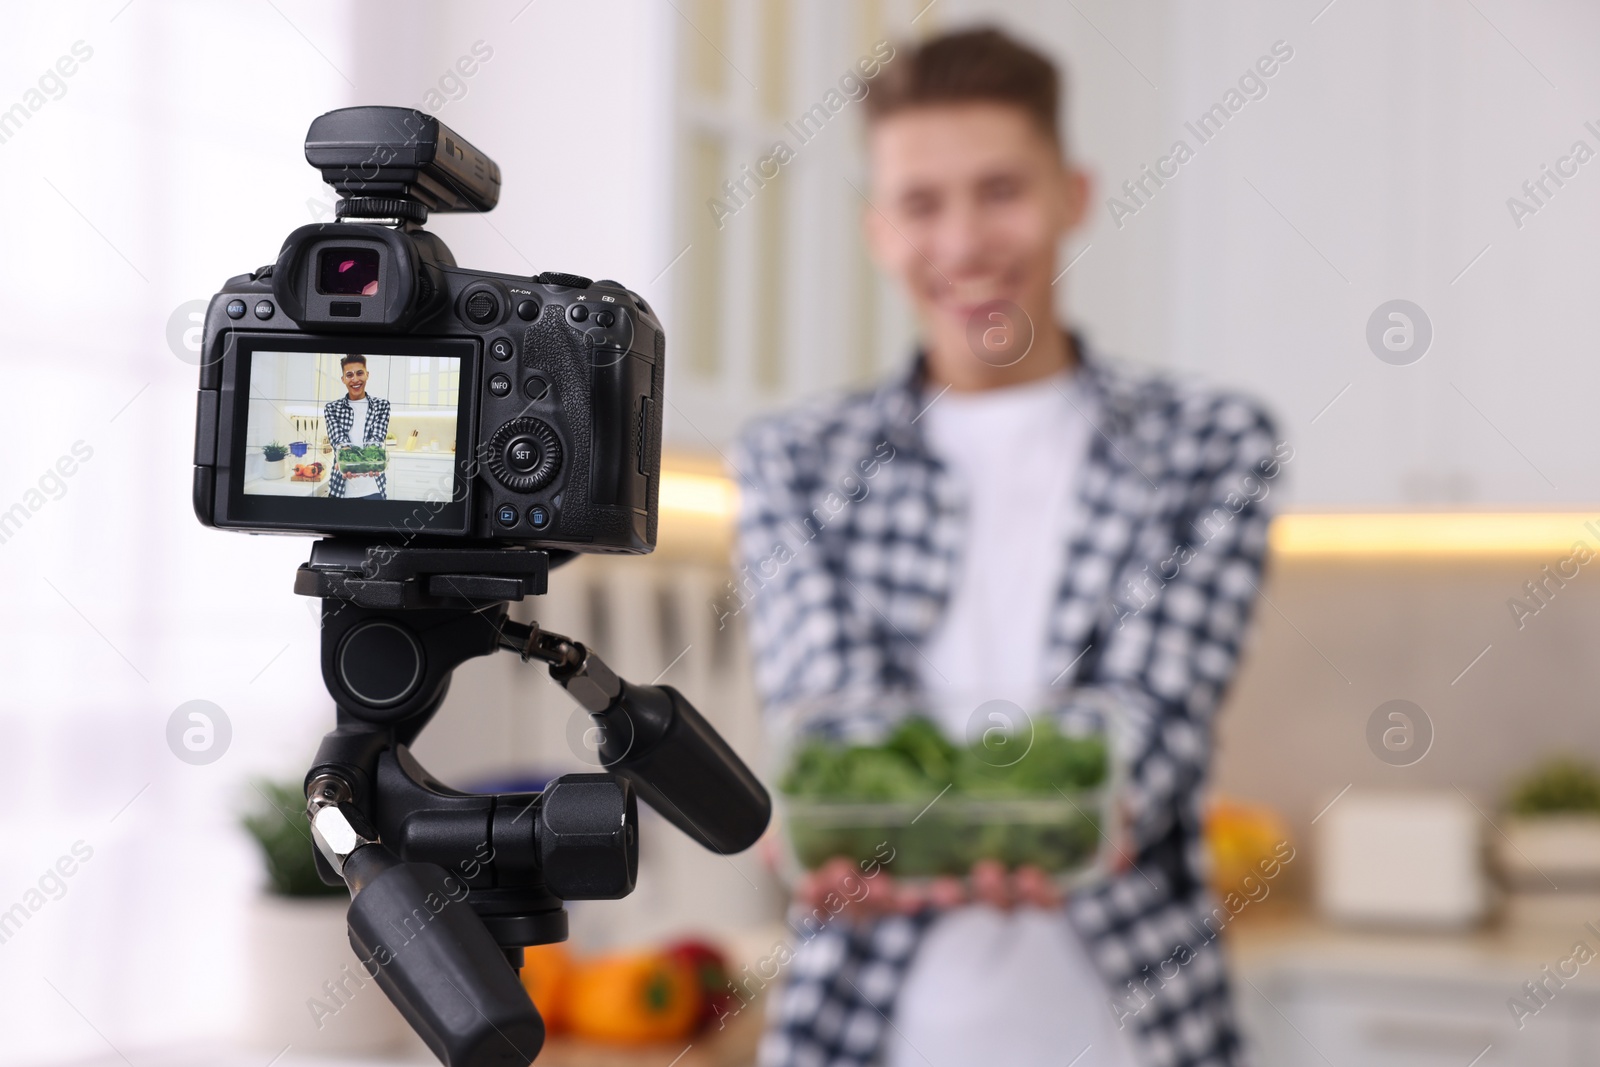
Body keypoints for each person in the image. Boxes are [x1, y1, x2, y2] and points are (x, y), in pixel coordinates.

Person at [733, 28, 1286, 1067]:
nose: (963, 242)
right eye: (920, 203)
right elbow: (831, 717)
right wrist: (856, 813)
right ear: (875, 229)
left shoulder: (1207, 445)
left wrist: (957, 815)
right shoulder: (794, 460)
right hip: (860, 1029)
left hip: (1134, 1030)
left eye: (1000, 190)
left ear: (1073, 194)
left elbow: (1149, 727)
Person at [324, 353, 390, 500]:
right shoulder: (332, 408)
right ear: (343, 379)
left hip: (373, 486)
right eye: (349, 375)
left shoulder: (382, 406)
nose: (355, 379)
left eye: (359, 373)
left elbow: (376, 439)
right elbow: (339, 440)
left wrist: (366, 463)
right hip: (340, 486)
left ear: (367, 375)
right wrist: (347, 462)